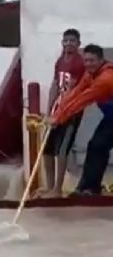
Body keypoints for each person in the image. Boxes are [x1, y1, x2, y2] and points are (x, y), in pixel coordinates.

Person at [49, 44, 113, 196]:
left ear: (101, 60)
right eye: (86, 60)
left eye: (92, 60)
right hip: (111, 117)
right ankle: (87, 188)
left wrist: (58, 119)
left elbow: (82, 101)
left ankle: (89, 188)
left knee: (98, 145)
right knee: (95, 146)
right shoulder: (90, 74)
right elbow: (75, 93)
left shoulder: (106, 79)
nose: (88, 64)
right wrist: (57, 113)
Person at [36, 29, 85, 198]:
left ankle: (57, 189)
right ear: (62, 43)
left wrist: (62, 113)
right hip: (57, 110)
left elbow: (74, 90)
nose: (69, 44)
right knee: (47, 149)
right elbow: (55, 84)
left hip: (72, 111)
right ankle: (49, 187)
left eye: (72, 41)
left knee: (62, 150)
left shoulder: (80, 63)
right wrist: (50, 110)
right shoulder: (59, 61)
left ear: (78, 44)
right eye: (66, 41)